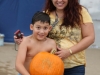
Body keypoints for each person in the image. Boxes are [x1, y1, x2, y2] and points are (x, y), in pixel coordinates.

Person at [14, 0, 95, 75]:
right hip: (48, 67)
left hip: (74, 65)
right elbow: (39, 35)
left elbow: (90, 37)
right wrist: (24, 39)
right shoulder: (47, 13)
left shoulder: (80, 12)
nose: (59, 0)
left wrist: (69, 51)